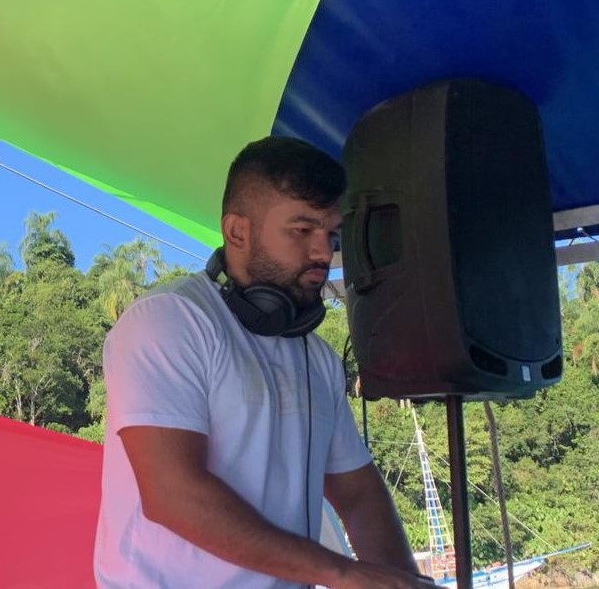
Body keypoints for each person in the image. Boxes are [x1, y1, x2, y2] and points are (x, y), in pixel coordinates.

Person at [94, 137, 436, 588]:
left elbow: (358, 494)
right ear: (238, 232)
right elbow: (172, 493)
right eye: (302, 230)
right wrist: (342, 573)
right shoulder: (169, 320)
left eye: (332, 235)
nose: (324, 252)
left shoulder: (318, 358)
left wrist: (405, 582)